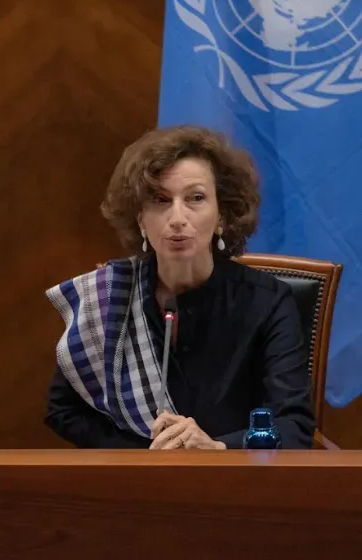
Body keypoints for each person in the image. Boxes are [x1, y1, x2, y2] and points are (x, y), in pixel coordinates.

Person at [44, 126, 314, 450]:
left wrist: (217, 449)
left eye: (195, 198)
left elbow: (293, 426)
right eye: (160, 200)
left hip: (233, 476)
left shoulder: (268, 302)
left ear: (222, 216)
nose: (177, 217)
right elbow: (64, 410)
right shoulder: (111, 298)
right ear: (141, 219)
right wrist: (143, 456)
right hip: (140, 477)